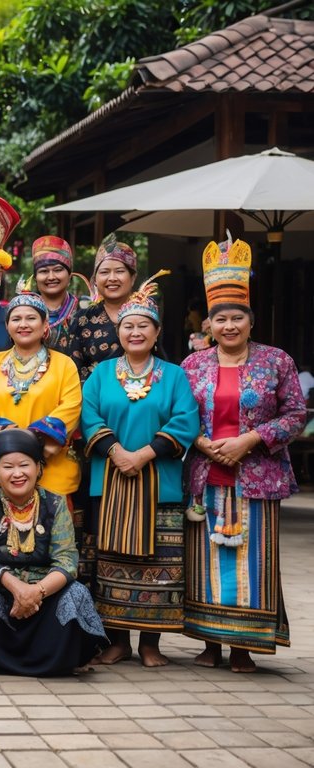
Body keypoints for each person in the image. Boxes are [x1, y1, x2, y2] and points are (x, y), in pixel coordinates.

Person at [182, 237, 303, 673]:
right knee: (203, 561)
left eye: (237, 318)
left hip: (257, 476)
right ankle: (209, 644)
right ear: (209, 325)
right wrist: (199, 442)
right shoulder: (192, 366)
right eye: (220, 319)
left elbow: (295, 414)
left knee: (252, 561)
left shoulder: (276, 362)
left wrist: (248, 441)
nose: (228, 326)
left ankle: (243, 647)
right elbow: (178, 413)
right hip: (204, 475)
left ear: (251, 322)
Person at [81, 273, 200, 667]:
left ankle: (151, 644)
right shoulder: (101, 374)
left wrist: (144, 454)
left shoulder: (175, 375)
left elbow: (185, 421)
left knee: (160, 565)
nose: (135, 332)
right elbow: (88, 415)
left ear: (157, 330)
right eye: (127, 326)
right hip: (108, 479)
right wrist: (116, 452)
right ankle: (117, 641)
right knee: (109, 559)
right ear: (119, 331)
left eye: (142, 326)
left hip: (159, 482)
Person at [0, 429, 107, 675]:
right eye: (7, 466)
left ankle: (56, 659)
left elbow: (67, 560)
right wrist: (17, 588)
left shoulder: (55, 504)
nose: (17, 473)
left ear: (38, 467)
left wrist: (36, 592)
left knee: (76, 593)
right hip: (3, 597)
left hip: (44, 597)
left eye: (24, 464)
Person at [0, 292, 81, 499]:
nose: (23, 324)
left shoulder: (64, 365)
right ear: (8, 326)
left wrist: (33, 441)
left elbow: (71, 407)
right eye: (16, 319)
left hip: (49, 466)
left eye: (31, 318)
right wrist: (10, 441)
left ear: (45, 324)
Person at [61, 233, 138, 381]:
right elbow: (73, 370)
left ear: (133, 277)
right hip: (95, 399)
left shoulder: (146, 314)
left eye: (120, 271)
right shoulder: (82, 319)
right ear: (95, 280)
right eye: (104, 272)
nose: (112, 278)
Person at [30, 236, 85, 351]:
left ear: (69, 275)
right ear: (35, 278)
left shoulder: (85, 310)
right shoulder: (25, 310)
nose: (51, 277)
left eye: (58, 270)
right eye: (44, 271)